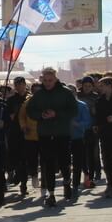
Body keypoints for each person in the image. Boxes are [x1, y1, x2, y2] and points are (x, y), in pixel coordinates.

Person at [27, 68, 77, 207]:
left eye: (50, 80)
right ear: (42, 80)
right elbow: (30, 111)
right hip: (45, 134)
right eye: (45, 80)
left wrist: (57, 114)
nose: (48, 83)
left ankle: (67, 181)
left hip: (62, 133)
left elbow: (73, 110)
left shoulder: (65, 92)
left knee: (64, 162)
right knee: (48, 164)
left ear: (55, 79)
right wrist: (41, 115)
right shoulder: (38, 95)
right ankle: (51, 194)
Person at [68, 86, 92, 200]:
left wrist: (77, 124)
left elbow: (88, 122)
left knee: (77, 163)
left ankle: (75, 185)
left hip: (78, 137)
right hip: (64, 138)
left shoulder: (81, 106)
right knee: (65, 164)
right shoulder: (61, 108)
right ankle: (67, 184)